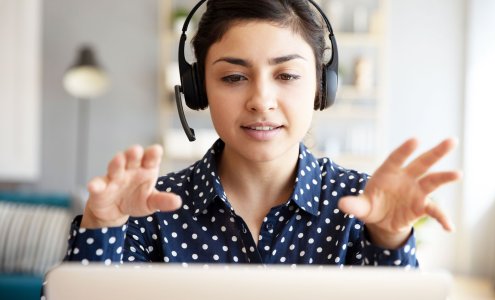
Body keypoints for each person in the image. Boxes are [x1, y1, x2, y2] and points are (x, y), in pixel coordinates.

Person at [63, 0, 460, 268]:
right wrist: (102, 228)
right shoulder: (147, 211)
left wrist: (389, 240)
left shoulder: (363, 209)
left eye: (286, 75)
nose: (261, 100)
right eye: (234, 77)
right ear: (199, 90)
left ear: (322, 86)